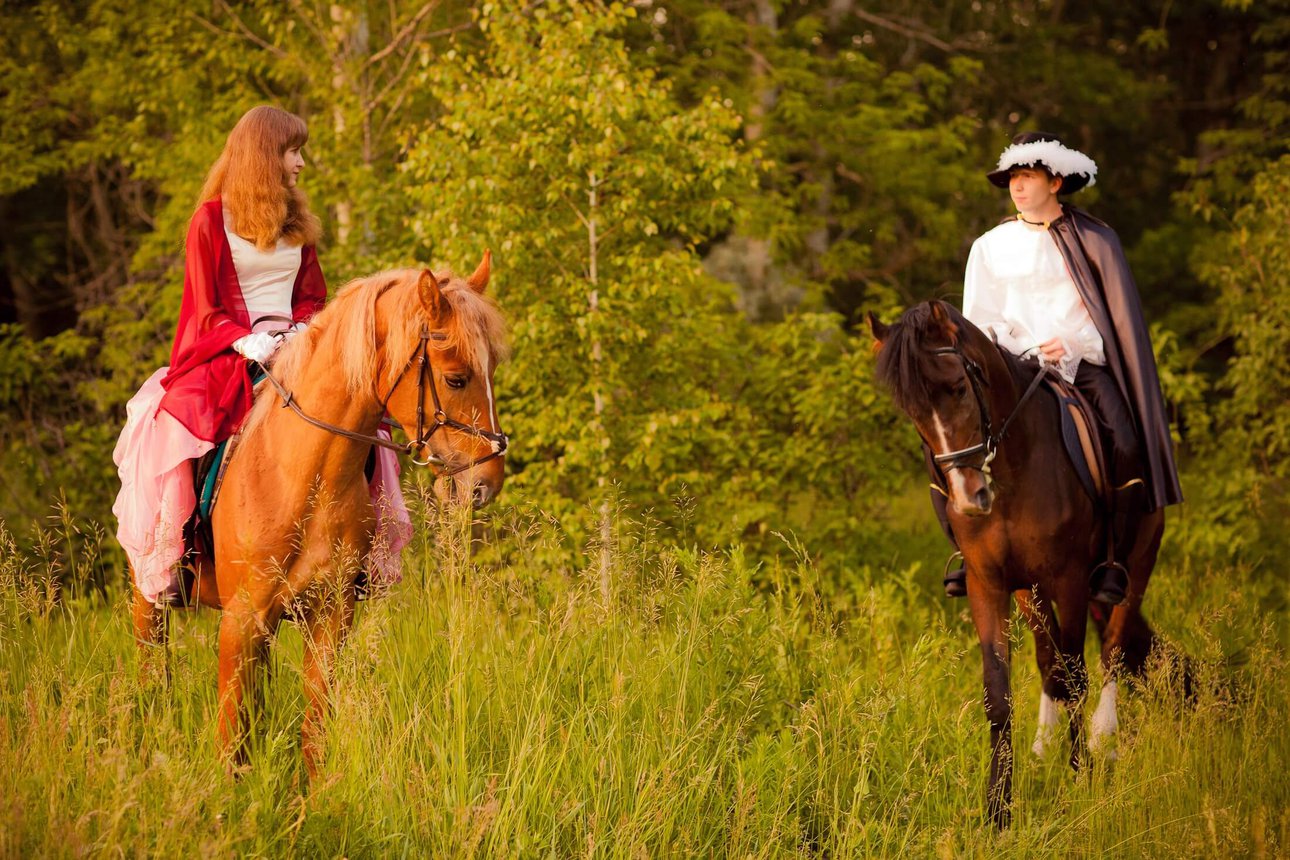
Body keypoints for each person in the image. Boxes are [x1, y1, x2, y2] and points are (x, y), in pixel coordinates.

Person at [113, 105, 410, 605]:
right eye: (293, 152)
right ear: (264, 156)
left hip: (296, 346)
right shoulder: (209, 221)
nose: (299, 164)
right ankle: (184, 553)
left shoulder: (299, 223)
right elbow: (203, 308)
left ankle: (364, 552)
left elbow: (313, 297)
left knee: (366, 422)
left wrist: (300, 331)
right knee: (180, 423)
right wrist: (245, 339)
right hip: (228, 350)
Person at [933, 131, 1183, 604]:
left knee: (1126, 444)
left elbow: (1112, 319)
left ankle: (1112, 560)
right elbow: (978, 319)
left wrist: (1069, 342)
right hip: (1009, 370)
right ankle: (966, 552)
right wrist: (1018, 345)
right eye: (1013, 178)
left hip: (1080, 364)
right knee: (946, 441)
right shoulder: (989, 246)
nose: (1017, 187)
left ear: (1057, 180)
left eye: (1027, 177)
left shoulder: (1096, 240)